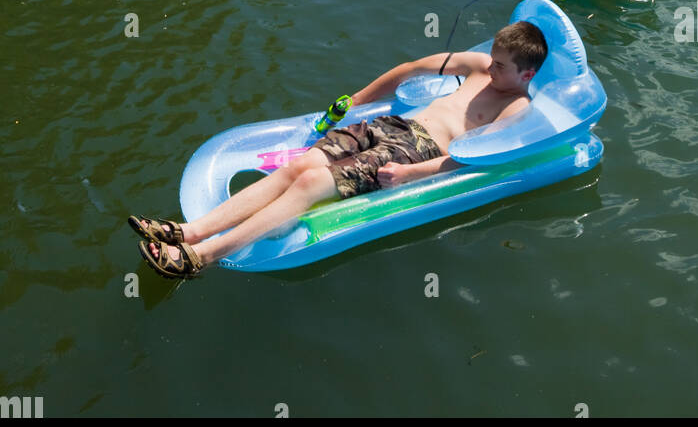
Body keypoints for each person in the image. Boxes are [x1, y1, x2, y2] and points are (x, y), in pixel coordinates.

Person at [129, 20, 548, 277]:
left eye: (500, 66)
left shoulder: (516, 107)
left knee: (312, 183)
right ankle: (190, 231)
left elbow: (472, 157)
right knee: (299, 166)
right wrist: (358, 99)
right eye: (491, 59)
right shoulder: (479, 66)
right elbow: (410, 69)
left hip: (418, 151)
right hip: (396, 124)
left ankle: (201, 257)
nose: (489, 67)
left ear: (526, 73)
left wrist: (411, 175)